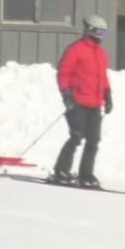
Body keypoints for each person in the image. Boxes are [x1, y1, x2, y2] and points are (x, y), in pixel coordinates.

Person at [49, 14, 114, 188]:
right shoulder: (76, 49)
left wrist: (107, 96)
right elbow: (63, 72)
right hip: (77, 101)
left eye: (104, 32)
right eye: (99, 31)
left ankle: (86, 175)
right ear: (90, 30)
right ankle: (61, 171)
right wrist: (66, 95)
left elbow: (103, 77)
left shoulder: (101, 54)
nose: (101, 35)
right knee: (77, 136)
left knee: (93, 140)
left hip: (94, 104)